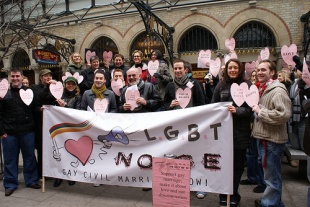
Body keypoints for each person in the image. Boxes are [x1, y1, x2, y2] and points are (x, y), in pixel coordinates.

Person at [211, 58, 253, 207]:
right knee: (223, 165)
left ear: (240, 69)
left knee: (237, 166)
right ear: (226, 70)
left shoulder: (248, 86)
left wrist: (237, 111)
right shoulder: (220, 86)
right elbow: (213, 106)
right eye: (230, 68)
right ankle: (224, 194)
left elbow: (251, 109)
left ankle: (234, 194)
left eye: (235, 68)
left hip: (240, 133)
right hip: (223, 133)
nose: (233, 70)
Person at [252, 60, 292, 207]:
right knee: (270, 176)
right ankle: (272, 201)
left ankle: (270, 204)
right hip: (265, 138)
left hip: (272, 141)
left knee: (272, 177)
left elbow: (284, 114)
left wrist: (260, 112)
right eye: (258, 70)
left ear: (272, 72)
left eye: (263, 70)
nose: (259, 73)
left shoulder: (278, 90)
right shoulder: (263, 89)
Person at [0, 68, 41, 196]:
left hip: (27, 131)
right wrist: (1, 131)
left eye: (17, 76)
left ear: (22, 77)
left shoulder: (29, 92)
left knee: (29, 157)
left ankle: (31, 180)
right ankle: (10, 184)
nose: (15, 78)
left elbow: (34, 108)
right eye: (13, 76)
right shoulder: (4, 94)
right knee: (10, 160)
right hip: (9, 133)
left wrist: (41, 109)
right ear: (9, 77)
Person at [53, 75, 82, 187]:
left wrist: (65, 106)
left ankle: (71, 175)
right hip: (60, 128)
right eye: (68, 84)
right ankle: (59, 176)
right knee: (60, 153)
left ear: (75, 86)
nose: (70, 85)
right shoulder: (58, 95)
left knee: (71, 153)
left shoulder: (78, 97)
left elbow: (78, 111)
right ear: (65, 85)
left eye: (72, 84)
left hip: (72, 128)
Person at [31, 69, 53, 179]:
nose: (48, 77)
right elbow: (33, 105)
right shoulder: (34, 89)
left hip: (51, 122)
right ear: (41, 77)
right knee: (41, 148)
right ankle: (41, 173)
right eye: (45, 76)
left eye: (49, 75)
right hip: (40, 122)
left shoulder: (54, 88)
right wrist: (39, 109)